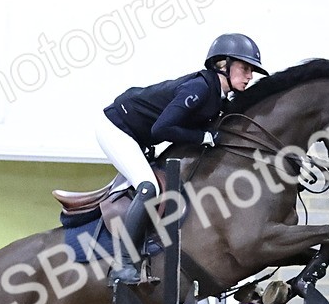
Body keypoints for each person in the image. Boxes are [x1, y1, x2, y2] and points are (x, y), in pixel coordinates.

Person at [96, 33, 268, 283]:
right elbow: (161, 129)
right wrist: (202, 137)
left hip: (138, 135)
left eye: (251, 70)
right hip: (116, 128)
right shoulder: (199, 88)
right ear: (223, 65)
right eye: (245, 68)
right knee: (148, 187)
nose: (250, 76)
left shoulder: (218, 96)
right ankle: (123, 265)